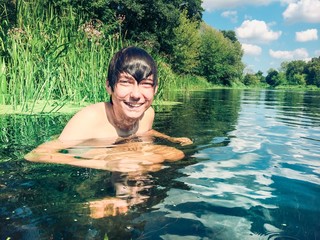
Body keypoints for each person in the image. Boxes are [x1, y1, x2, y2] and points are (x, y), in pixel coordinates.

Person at [25, 46, 193, 172]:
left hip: (123, 158)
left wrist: (170, 138)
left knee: (174, 154)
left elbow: (145, 131)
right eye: (125, 82)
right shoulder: (90, 118)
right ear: (109, 86)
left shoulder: (148, 113)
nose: (136, 94)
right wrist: (105, 163)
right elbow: (35, 155)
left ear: (155, 90)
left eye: (146, 85)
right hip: (95, 162)